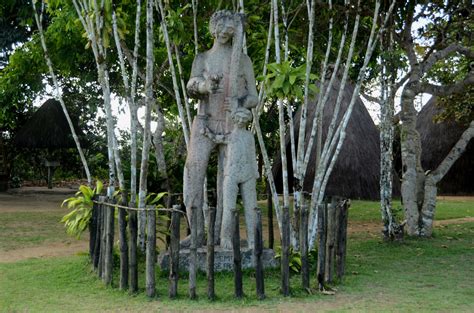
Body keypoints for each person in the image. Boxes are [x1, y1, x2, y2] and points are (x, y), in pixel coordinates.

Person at [184, 10, 258, 246]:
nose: (225, 33)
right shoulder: (202, 58)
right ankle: (195, 232)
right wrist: (205, 86)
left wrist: (238, 102)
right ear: (213, 29)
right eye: (221, 29)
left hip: (231, 126)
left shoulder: (243, 60)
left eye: (230, 30)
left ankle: (223, 235)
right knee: (193, 175)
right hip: (205, 122)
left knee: (227, 183)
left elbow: (253, 97)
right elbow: (191, 85)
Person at [220, 107, 259, 249]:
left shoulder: (249, 136)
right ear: (235, 119)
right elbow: (216, 138)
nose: (242, 121)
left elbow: (253, 154)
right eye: (239, 118)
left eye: (245, 119)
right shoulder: (229, 135)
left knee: (251, 207)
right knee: (229, 207)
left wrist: (255, 172)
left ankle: (253, 239)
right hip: (231, 173)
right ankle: (225, 238)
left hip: (248, 173)